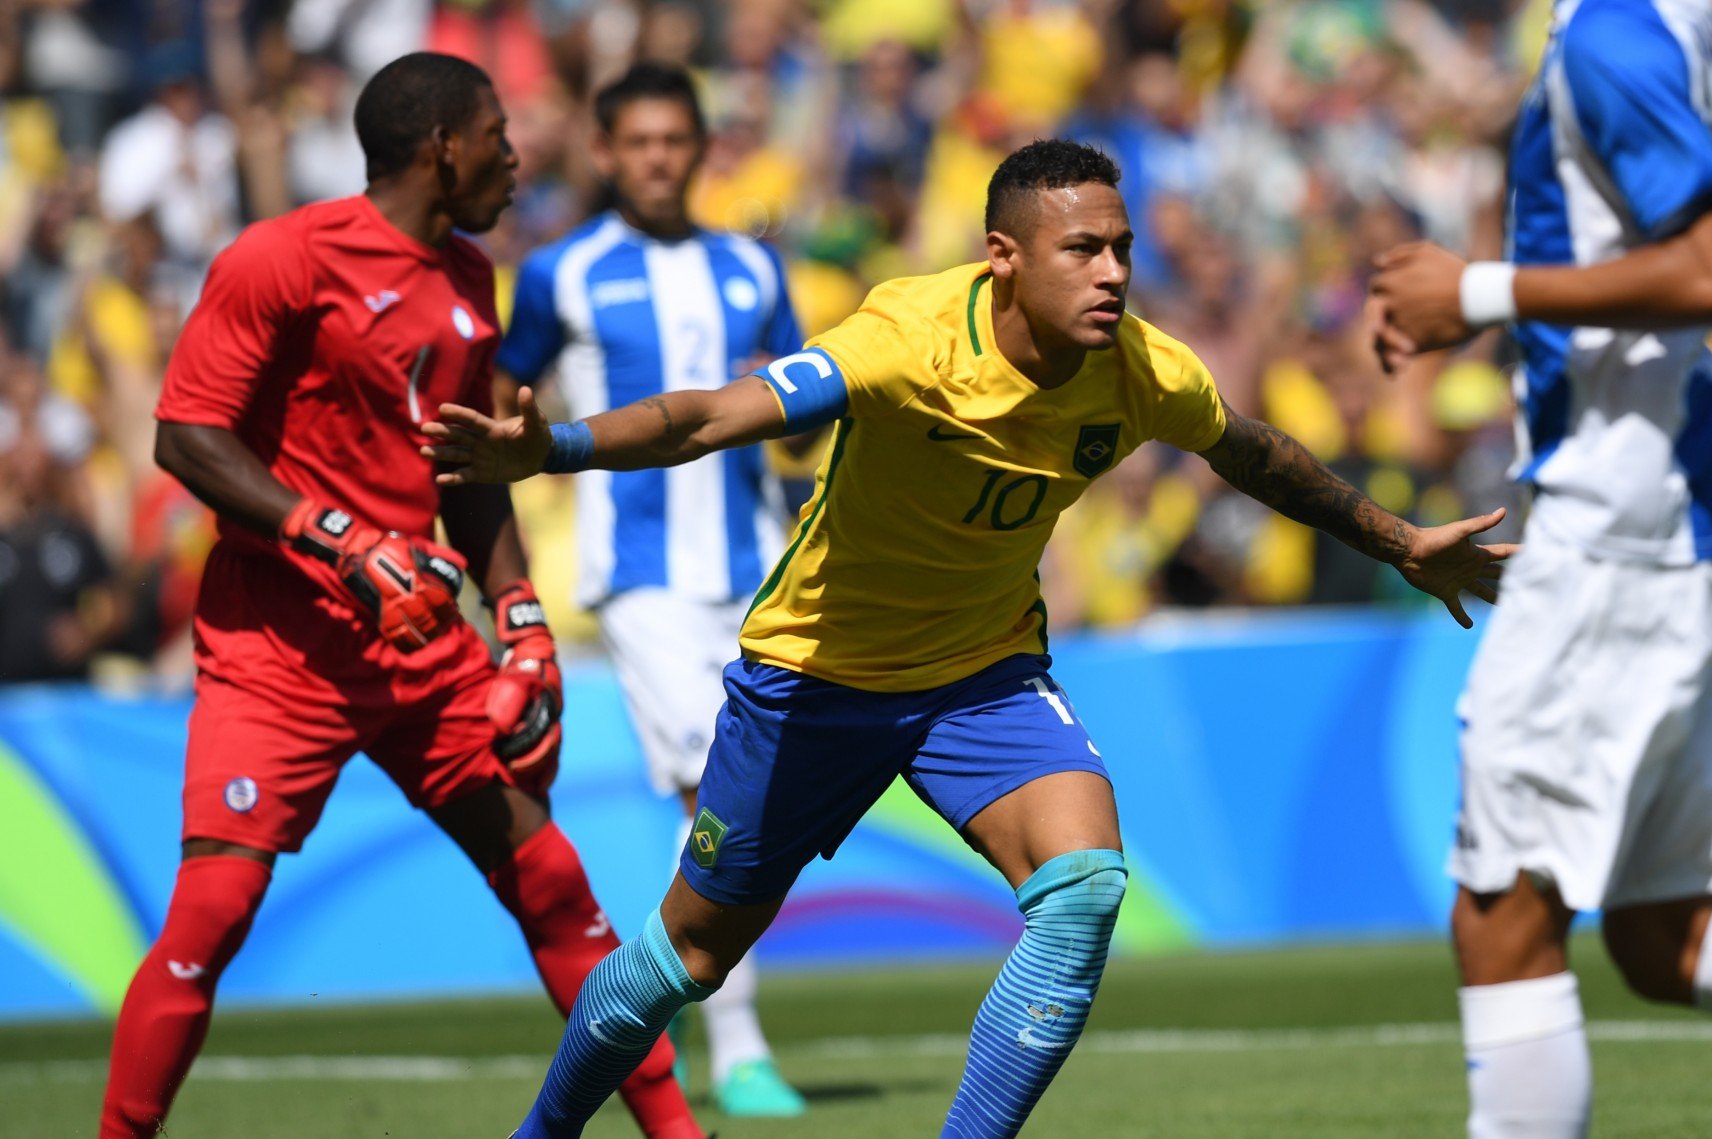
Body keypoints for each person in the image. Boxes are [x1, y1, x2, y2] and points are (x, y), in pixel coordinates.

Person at [428, 138, 1509, 1139]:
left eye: (1122, 248)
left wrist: (1397, 537)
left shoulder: (1141, 368)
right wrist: (555, 448)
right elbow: (712, 415)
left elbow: (1259, 452)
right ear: (1003, 257)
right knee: (687, 957)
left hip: (982, 678)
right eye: (1083, 249)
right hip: (817, 673)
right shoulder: (906, 338)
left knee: (1083, 888)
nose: (1114, 273)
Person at [98, 53, 701, 1139]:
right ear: (442, 149)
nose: (517, 159)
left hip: (417, 639)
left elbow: (464, 473)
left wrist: (516, 613)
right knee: (215, 909)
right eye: (499, 137)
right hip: (277, 644)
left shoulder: (472, 280)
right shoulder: (282, 257)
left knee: (555, 883)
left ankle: (679, 1132)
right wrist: (330, 536)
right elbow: (185, 434)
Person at [1367, 2, 1712, 1135]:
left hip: (1625, 524)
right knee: (1666, 938)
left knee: (1505, 915)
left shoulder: (1612, 33)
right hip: (1682, 504)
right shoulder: (1664, 21)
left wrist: (1476, 292)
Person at [493, 61, 806, 1118]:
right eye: (640, 142)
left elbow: (805, 412)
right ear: (606, 152)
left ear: (703, 148)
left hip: (757, 568)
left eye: (677, 140)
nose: (660, 159)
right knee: (711, 791)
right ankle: (741, 1042)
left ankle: (660, 1001)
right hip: (639, 577)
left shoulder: (751, 271)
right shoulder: (560, 273)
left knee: (761, 797)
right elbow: (507, 398)